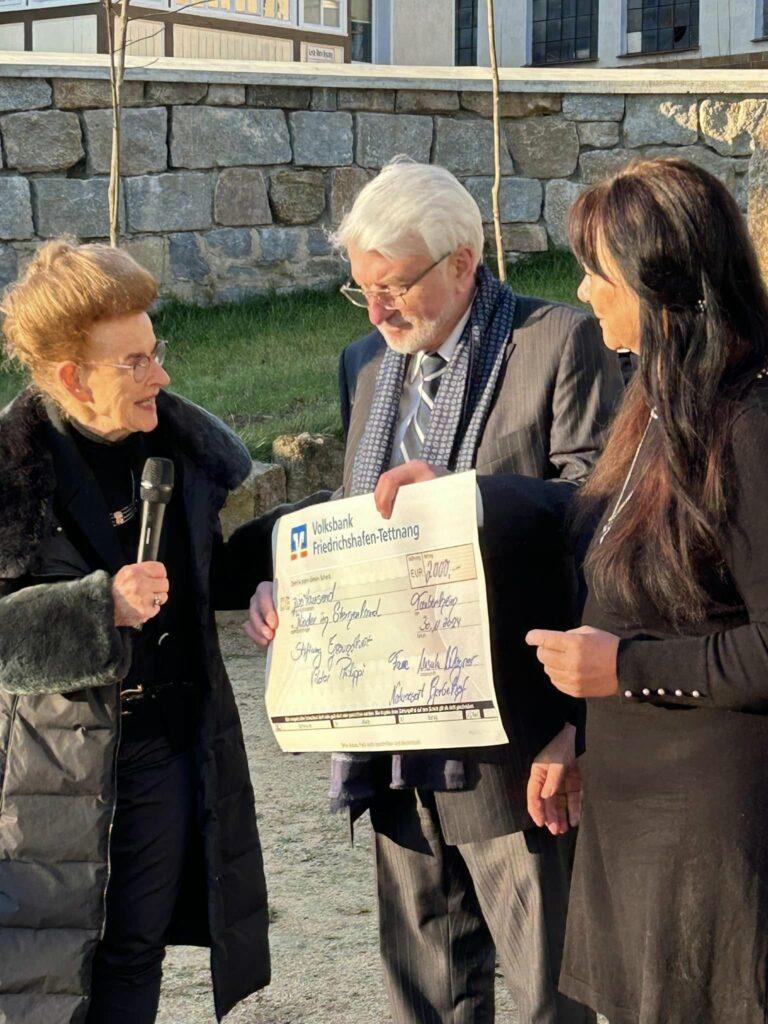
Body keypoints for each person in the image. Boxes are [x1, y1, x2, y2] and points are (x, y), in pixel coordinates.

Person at [247, 159, 622, 1024]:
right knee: (423, 990)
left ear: (462, 262)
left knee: (544, 995)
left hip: (515, 741)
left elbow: (601, 517)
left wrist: (465, 494)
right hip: (392, 740)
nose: (377, 311)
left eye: (395, 286)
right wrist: (293, 581)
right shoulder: (367, 367)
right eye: (361, 291)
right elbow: (361, 518)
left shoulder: (560, 342)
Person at [0, 240, 276, 1024]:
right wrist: (97, 606)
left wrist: (278, 566)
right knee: (42, 975)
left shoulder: (182, 454)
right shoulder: (10, 470)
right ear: (70, 378)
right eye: (133, 363)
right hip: (44, 771)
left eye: (156, 352)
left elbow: (205, 569)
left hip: (164, 751)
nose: (160, 375)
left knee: (135, 955)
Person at [526, 156, 768, 1024]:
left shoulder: (747, 421)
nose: (585, 293)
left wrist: (625, 670)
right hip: (635, 809)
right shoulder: (659, 402)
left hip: (711, 827)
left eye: (600, 272)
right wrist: (576, 732)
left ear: (663, 281)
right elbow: (636, 590)